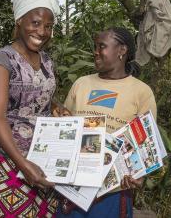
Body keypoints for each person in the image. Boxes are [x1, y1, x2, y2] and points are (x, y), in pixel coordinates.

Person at [0, 0, 69, 217]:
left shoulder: (47, 61)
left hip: (44, 160)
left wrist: (57, 108)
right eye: (36, 23)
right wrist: (24, 165)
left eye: (48, 26)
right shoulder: (2, 60)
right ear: (20, 20)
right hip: (11, 162)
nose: (42, 31)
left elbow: (41, 99)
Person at [57, 27, 157, 218]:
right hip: (73, 186)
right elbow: (66, 123)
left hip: (111, 192)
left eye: (101, 46)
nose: (95, 51)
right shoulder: (82, 83)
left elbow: (146, 144)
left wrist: (139, 173)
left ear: (122, 50)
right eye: (95, 46)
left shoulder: (141, 92)